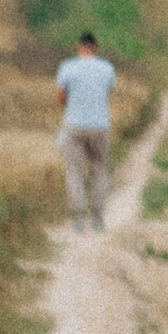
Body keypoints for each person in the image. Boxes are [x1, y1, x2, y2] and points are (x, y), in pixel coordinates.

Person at [55, 27, 116, 229]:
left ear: (78, 47)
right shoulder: (107, 68)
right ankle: (98, 219)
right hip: (100, 126)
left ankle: (78, 219)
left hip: (75, 125)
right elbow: (107, 93)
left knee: (74, 172)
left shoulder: (67, 67)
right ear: (96, 48)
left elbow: (61, 98)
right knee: (99, 170)